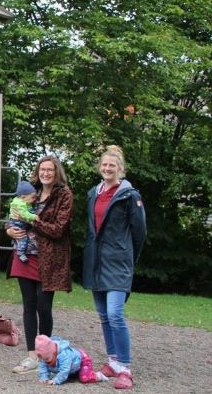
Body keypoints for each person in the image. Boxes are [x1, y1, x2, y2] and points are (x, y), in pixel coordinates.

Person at [83, 145, 146, 390]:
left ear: (120, 169)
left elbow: (140, 232)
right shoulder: (93, 193)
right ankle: (112, 361)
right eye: (104, 165)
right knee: (103, 316)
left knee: (115, 315)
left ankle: (125, 368)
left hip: (119, 262)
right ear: (100, 167)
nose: (107, 168)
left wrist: (129, 257)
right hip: (96, 261)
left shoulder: (130, 195)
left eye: (112, 165)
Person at [7, 155, 74, 374]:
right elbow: (13, 213)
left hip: (49, 259)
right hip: (24, 254)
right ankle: (31, 356)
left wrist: (33, 221)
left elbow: (58, 229)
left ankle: (45, 354)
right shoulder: (31, 190)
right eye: (42, 169)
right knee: (29, 305)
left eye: (50, 170)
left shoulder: (64, 195)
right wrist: (9, 228)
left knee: (44, 307)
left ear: (57, 173)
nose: (45, 173)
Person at [34, 335, 109, 385]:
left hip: (83, 360)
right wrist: (44, 377)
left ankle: (98, 376)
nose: (46, 361)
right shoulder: (44, 355)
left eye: (47, 359)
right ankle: (76, 373)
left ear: (53, 352)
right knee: (72, 377)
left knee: (84, 378)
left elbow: (64, 370)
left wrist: (56, 380)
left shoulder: (64, 355)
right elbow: (43, 366)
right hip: (72, 366)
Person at [8, 181, 38, 263]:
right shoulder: (20, 204)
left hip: (18, 223)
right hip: (17, 224)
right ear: (23, 197)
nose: (34, 199)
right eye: (32, 197)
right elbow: (24, 214)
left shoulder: (22, 201)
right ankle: (20, 253)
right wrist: (34, 216)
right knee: (23, 238)